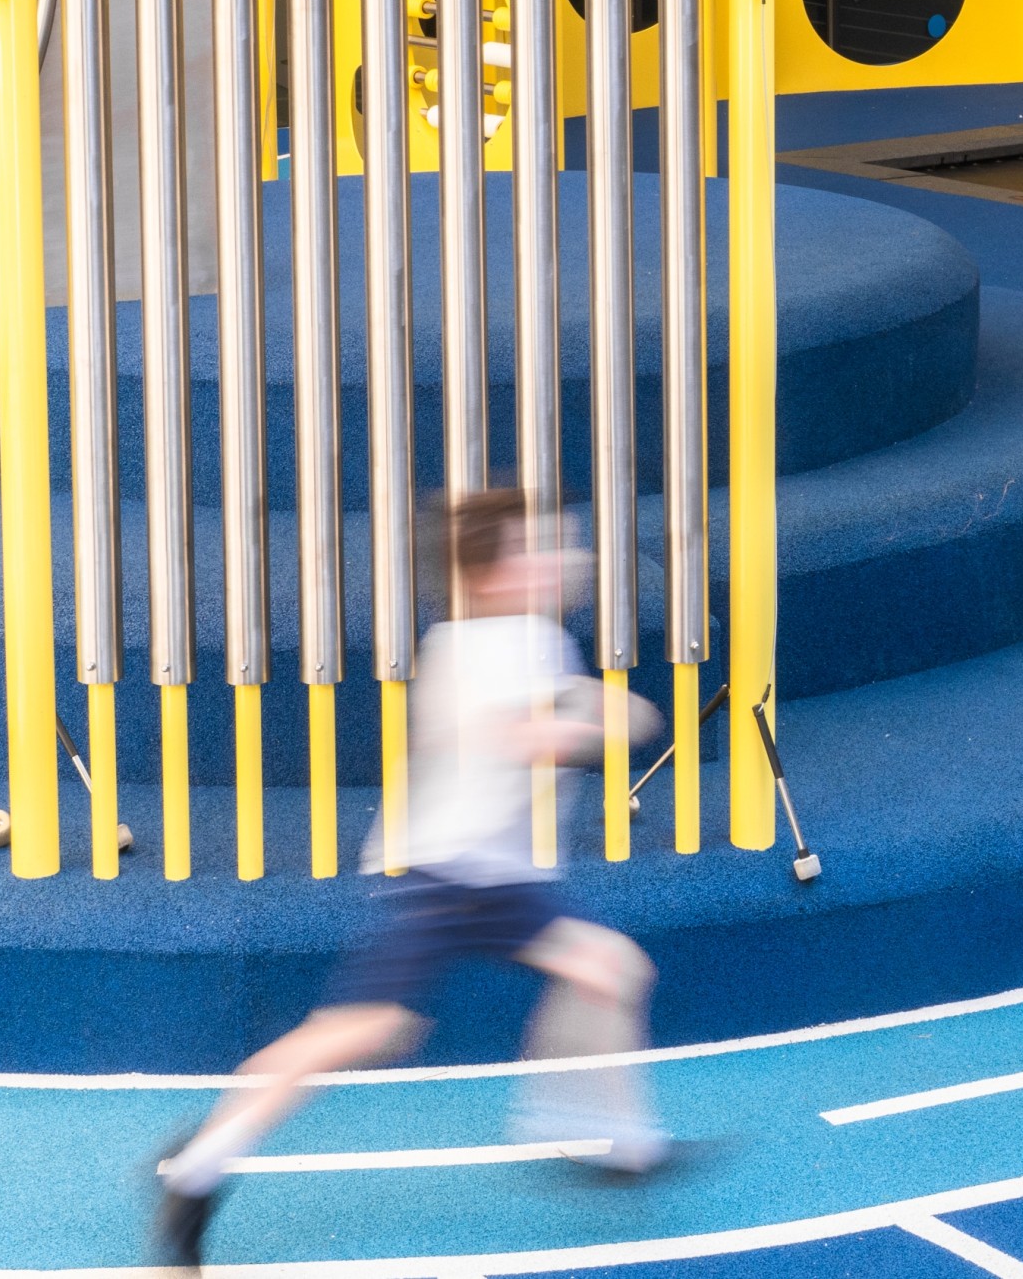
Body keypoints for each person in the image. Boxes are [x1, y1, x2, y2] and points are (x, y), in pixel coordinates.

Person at [153, 490, 668, 1270]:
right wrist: (605, 720)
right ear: (493, 574)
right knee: (367, 1031)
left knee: (609, 969)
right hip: (447, 877)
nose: (563, 559)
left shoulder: (517, 641)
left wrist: (596, 711)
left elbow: (561, 723)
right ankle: (195, 1168)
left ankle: (614, 1143)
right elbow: (528, 736)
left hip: (498, 879)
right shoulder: (496, 646)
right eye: (541, 548)